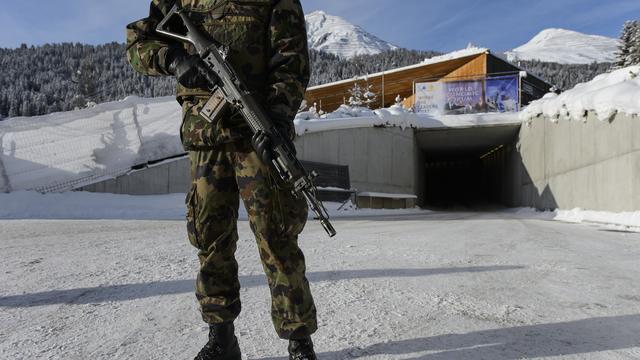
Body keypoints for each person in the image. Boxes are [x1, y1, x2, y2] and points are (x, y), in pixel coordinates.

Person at [125, 1, 318, 359]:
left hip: (257, 134)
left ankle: (299, 340)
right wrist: (174, 60)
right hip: (205, 134)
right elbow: (138, 43)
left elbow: (292, 64)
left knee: (278, 237)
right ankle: (222, 340)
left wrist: (275, 119)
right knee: (210, 238)